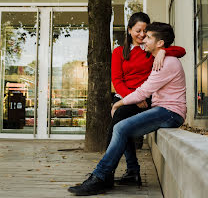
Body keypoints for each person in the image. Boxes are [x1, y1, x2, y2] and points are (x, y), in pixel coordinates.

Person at [68, 22, 186, 196]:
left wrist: (118, 103)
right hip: (163, 110)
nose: (144, 39)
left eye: (148, 36)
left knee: (121, 127)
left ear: (160, 43)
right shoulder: (160, 58)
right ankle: (127, 172)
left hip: (170, 113)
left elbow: (144, 91)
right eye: (142, 34)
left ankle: (100, 177)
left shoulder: (166, 63)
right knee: (123, 127)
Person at [107, 12, 186, 186]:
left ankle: (109, 171)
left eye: (145, 31)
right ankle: (129, 171)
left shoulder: (150, 51)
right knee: (120, 118)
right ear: (129, 30)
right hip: (127, 95)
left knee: (120, 119)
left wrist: (163, 51)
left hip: (144, 97)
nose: (142, 35)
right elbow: (117, 80)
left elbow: (181, 50)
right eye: (138, 30)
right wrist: (130, 98)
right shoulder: (119, 52)